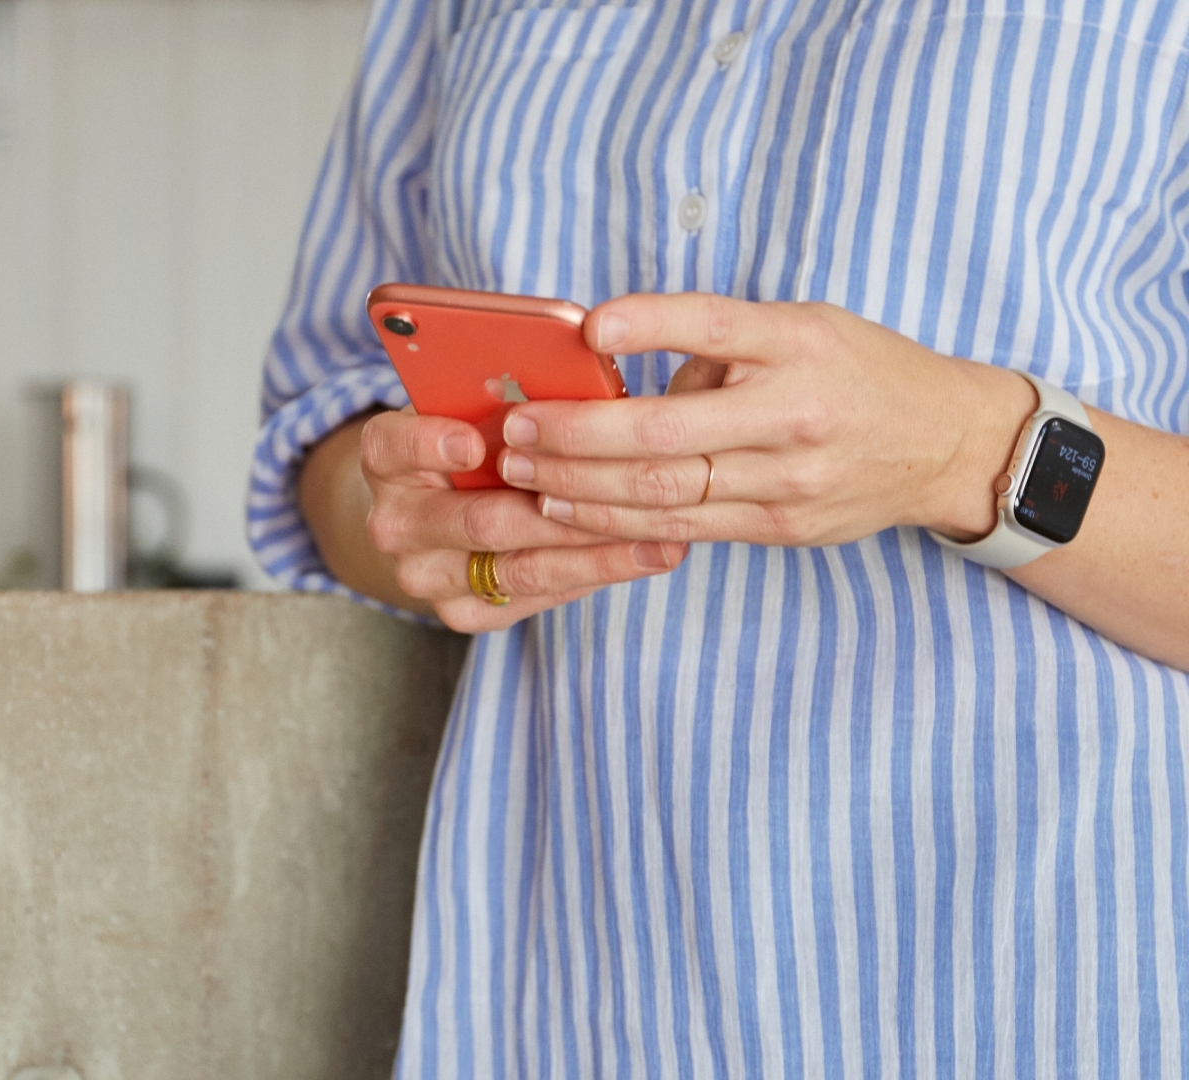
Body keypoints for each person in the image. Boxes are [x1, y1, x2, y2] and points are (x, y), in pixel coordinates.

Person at [249, 2, 1189, 1076]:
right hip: (581, 977)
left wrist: (963, 451)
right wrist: (418, 520)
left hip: (1052, 984)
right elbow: (324, 431)